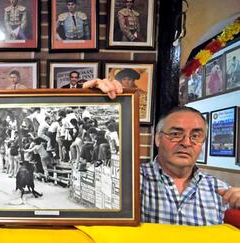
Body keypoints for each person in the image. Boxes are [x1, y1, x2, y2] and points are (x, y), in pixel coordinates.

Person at [83, 78, 240, 225]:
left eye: (195, 136)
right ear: (158, 139)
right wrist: (90, 98)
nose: (186, 143)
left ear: (202, 143)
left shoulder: (220, 191)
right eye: (175, 134)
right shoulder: (130, 180)